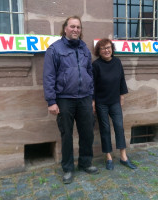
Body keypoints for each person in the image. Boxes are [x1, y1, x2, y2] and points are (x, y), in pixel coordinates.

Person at [43, 16, 99, 184]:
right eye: (72, 26)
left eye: (78, 27)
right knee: (67, 134)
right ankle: (68, 168)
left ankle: (85, 162)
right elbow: (48, 76)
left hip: (84, 98)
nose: (76, 30)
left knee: (87, 132)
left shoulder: (84, 49)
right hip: (64, 99)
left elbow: (89, 73)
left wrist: (92, 96)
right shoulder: (54, 49)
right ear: (65, 28)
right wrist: (51, 101)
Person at [92, 38, 137, 170]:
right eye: (103, 48)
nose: (106, 50)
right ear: (99, 51)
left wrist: (121, 97)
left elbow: (122, 80)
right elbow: (92, 85)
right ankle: (108, 157)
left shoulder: (117, 62)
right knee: (105, 129)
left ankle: (123, 156)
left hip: (115, 102)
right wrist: (93, 102)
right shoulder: (96, 65)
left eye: (108, 47)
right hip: (101, 103)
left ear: (112, 49)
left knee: (119, 126)